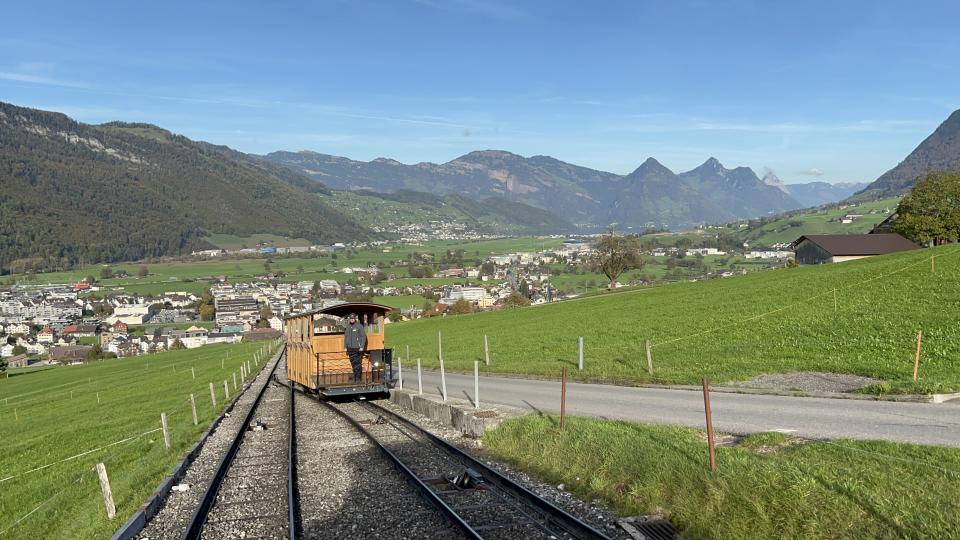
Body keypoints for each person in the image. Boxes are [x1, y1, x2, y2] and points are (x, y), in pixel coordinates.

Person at [343, 312, 367, 383]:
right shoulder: (347, 327)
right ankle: (355, 377)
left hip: (357, 348)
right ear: (349, 319)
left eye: (353, 318)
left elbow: (363, 336)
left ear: (355, 318)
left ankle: (358, 378)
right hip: (350, 348)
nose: (352, 319)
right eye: (351, 318)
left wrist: (362, 346)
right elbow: (345, 337)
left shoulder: (359, 326)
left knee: (357, 363)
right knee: (353, 363)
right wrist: (345, 347)